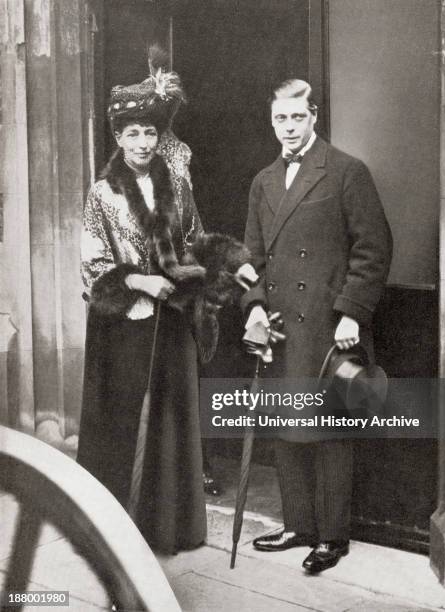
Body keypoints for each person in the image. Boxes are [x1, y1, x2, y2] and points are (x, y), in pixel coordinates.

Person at [241, 79, 392, 572]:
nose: (288, 127)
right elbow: (251, 259)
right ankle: (297, 525)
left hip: (329, 327)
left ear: (314, 117)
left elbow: (373, 249)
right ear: (272, 122)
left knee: (328, 432)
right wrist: (257, 307)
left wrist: (351, 311)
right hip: (283, 328)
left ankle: (331, 537)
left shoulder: (346, 171)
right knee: (287, 429)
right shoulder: (263, 180)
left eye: (297, 117)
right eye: (280, 119)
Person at [77, 62, 208, 554]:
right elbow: (92, 264)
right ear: (117, 136)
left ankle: (167, 528)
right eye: (132, 133)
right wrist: (138, 280)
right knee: (125, 423)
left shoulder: (176, 183)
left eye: (150, 132)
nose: (142, 143)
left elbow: (194, 237)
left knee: (168, 425)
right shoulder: (102, 193)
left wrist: (188, 279)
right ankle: (119, 531)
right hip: (123, 329)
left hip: (170, 321)